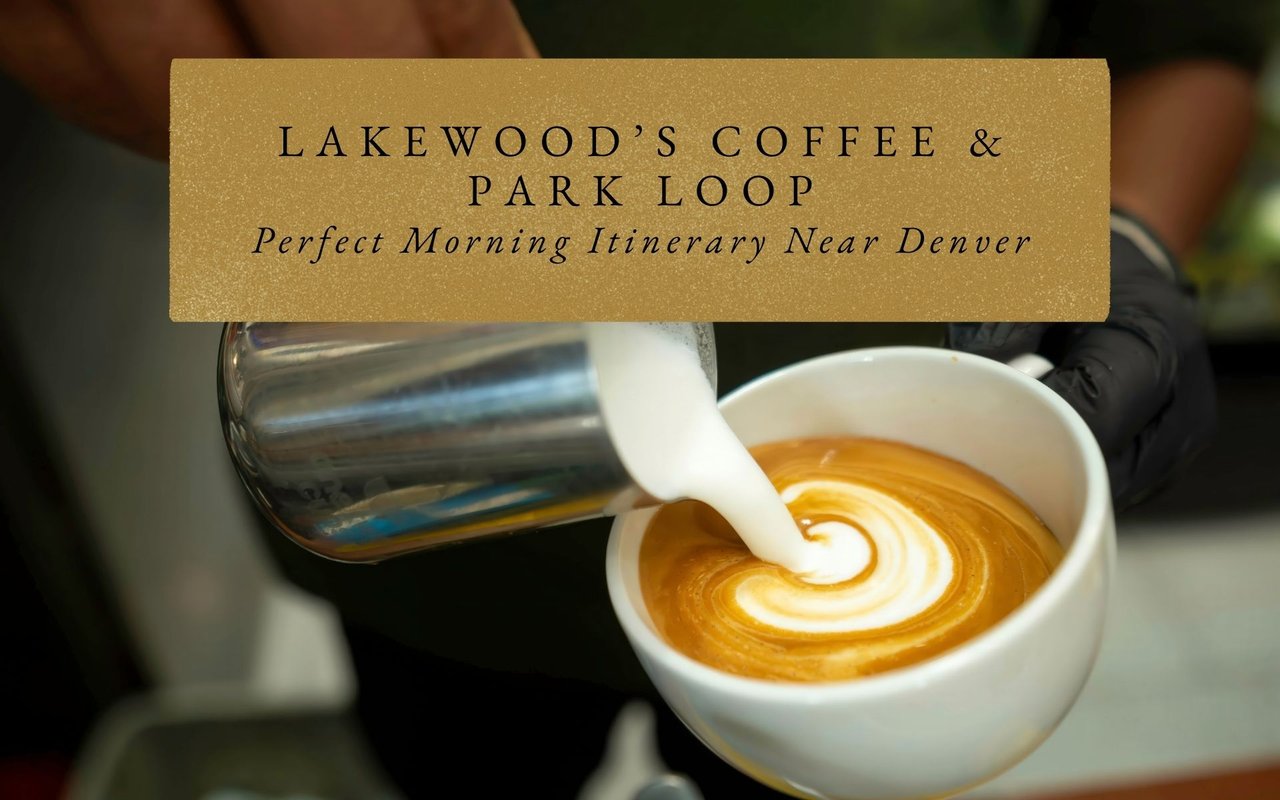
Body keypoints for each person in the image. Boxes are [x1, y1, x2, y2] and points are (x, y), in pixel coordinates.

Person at [0, 1, 1267, 796]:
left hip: (913, 406)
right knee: (453, 761)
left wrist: (1123, 233)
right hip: (438, 468)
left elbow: (1185, 32)